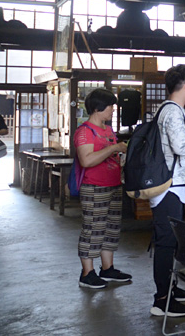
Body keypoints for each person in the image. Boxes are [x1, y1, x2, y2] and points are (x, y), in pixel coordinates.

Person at [149, 64, 185, 317]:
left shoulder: (167, 110)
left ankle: (170, 290)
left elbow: (176, 148)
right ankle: (162, 301)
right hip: (168, 189)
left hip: (171, 187)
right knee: (165, 243)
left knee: (170, 243)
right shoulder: (173, 112)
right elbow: (181, 147)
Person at [74, 88, 131, 289]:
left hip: (114, 184)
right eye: (110, 106)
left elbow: (110, 156)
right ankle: (87, 273)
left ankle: (107, 269)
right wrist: (115, 148)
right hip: (94, 187)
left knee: (111, 229)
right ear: (98, 108)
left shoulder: (108, 130)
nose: (113, 110)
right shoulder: (85, 131)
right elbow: (86, 160)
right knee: (93, 229)